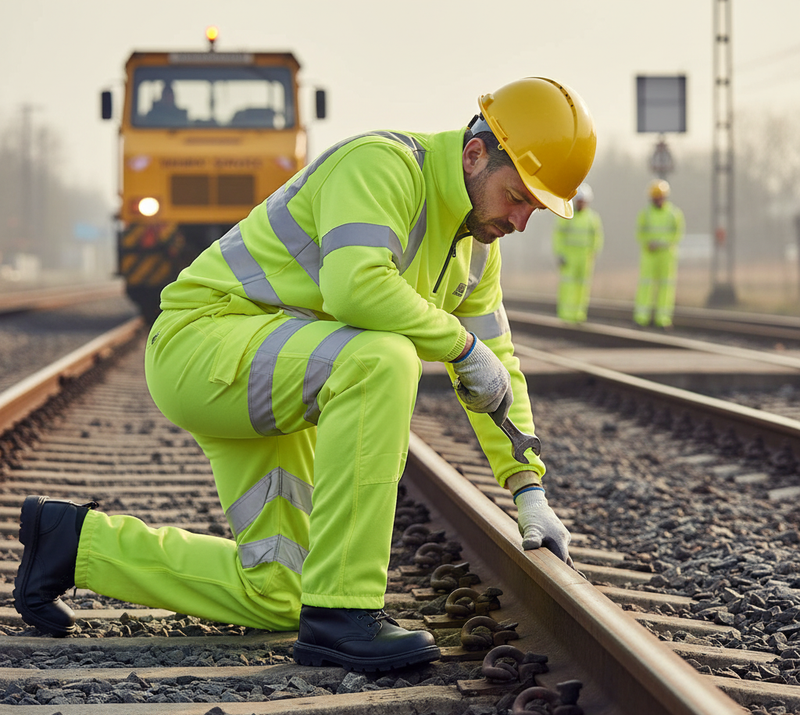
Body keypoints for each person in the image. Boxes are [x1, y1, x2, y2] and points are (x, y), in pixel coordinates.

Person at [13, 77, 596, 672]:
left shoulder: (475, 249)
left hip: (285, 370)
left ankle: (71, 543)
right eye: (518, 196)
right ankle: (345, 614)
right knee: (384, 359)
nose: (522, 220)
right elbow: (356, 287)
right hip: (205, 344)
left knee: (278, 592)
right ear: (475, 155)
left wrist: (528, 489)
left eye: (537, 209)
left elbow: (499, 367)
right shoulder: (383, 165)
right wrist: (459, 343)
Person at [633, 179, 685, 328]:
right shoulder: (645, 214)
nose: (658, 199)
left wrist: (662, 243)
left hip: (667, 256)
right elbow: (639, 233)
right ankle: (641, 317)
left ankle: (663, 319)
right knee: (646, 285)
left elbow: (678, 234)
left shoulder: (674, 214)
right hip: (649, 255)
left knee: (666, 287)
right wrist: (648, 243)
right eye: (656, 196)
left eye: (660, 196)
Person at [552, 183, 603, 322]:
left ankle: (579, 314)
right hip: (569, 258)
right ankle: (566, 315)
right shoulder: (567, 216)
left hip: (585, 259)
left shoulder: (592, 218)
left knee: (583, 287)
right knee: (568, 286)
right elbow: (558, 236)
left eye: (583, 201)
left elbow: (597, 237)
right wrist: (560, 253)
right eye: (579, 201)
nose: (581, 204)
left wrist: (593, 253)